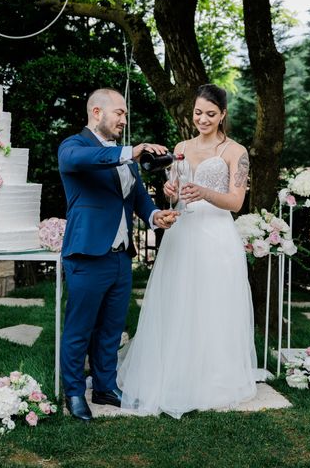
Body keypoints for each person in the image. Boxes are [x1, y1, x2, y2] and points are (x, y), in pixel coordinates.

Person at [117, 84, 258, 418]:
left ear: (223, 114)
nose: (203, 119)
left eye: (210, 114)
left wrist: (205, 192)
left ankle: (213, 378)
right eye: (198, 112)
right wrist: (171, 188)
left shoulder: (235, 152)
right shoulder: (180, 147)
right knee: (178, 300)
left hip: (215, 237)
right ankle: (174, 371)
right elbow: (176, 191)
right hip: (182, 235)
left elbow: (236, 202)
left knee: (212, 304)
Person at [58, 88, 179, 421]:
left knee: (112, 328)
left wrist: (156, 217)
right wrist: (131, 151)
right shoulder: (74, 147)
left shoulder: (124, 156)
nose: (124, 119)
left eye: (125, 114)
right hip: (87, 254)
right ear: (97, 112)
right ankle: (72, 392)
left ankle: (105, 387)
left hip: (121, 257)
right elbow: (81, 161)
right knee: (79, 328)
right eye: (119, 113)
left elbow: (137, 197)